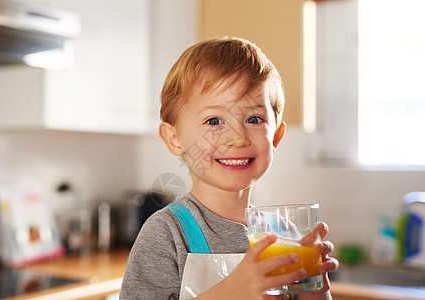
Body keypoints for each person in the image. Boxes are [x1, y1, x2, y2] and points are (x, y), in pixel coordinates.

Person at [120, 37, 339, 300]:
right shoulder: (166, 232)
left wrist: (313, 286)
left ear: (276, 137)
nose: (237, 137)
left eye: (254, 119)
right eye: (214, 120)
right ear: (174, 139)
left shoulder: (283, 234)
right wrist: (230, 292)